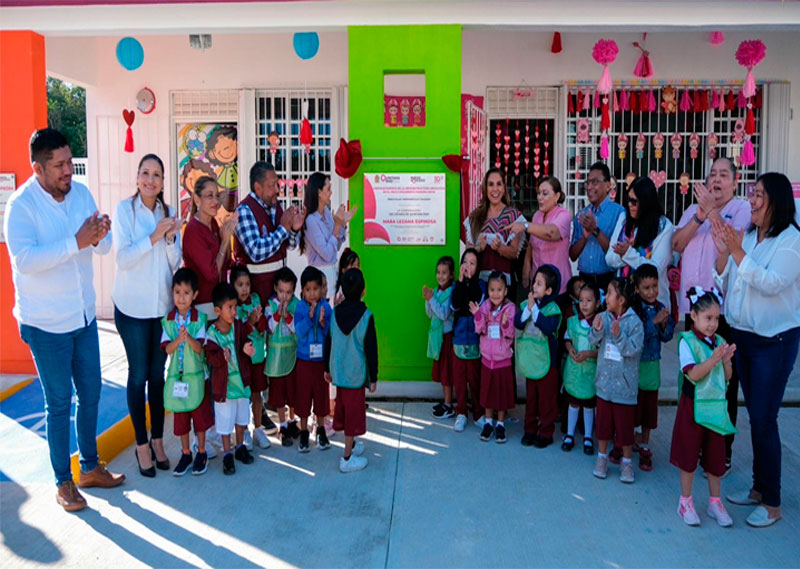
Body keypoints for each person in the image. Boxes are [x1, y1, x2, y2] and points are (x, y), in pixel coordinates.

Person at [5, 128, 124, 511]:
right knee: (59, 402)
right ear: (37, 168)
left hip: (83, 316)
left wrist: (102, 234)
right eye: (58, 166)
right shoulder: (21, 206)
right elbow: (25, 260)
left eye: (70, 163)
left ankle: (89, 467)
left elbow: (101, 246)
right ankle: (63, 482)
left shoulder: (82, 194)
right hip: (45, 324)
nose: (67, 172)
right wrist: (76, 240)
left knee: (90, 394)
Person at [712, 172, 800, 528]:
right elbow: (730, 281)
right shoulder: (748, 235)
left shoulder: (791, 241)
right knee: (756, 417)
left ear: (776, 201)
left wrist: (735, 252)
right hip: (744, 337)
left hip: (773, 342)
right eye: (752, 193)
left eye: (759, 194)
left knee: (765, 419)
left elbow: (771, 283)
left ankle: (774, 502)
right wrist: (724, 255)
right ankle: (758, 490)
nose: (752, 200)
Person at [672, 157, 750, 469]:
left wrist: (712, 211)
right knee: (692, 377)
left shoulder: (742, 208)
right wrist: (699, 215)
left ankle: (721, 450)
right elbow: (677, 244)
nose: (716, 180)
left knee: (722, 382)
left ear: (735, 179)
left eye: (723, 175)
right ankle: (692, 444)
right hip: (692, 311)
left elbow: (734, 243)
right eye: (712, 175)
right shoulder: (694, 210)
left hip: (722, 314)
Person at [112, 153, 182, 477]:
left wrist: (169, 240)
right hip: (132, 309)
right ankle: (141, 443)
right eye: (145, 173)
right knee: (138, 374)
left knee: (158, 376)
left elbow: (174, 264)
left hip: (160, 309)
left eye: (156, 174)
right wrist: (154, 236)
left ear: (163, 181)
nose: (150, 180)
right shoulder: (125, 211)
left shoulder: (168, 213)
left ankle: (157, 440)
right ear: (137, 177)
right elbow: (123, 259)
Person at [670, 287, 736, 528]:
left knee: (716, 457)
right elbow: (694, 374)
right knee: (689, 455)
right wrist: (714, 359)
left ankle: (715, 501)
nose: (713, 324)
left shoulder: (720, 342)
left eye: (716, 318)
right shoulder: (686, 341)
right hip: (693, 407)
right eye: (708, 318)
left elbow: (727, 377)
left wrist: (727, 361)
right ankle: (685, 501)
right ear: (694, 317)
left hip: (716, 408)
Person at [324, 268, 378, 473]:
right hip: (356, 375)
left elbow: (329, 341)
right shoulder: (367, 316)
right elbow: (371, 350)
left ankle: (352, 446)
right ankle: (346, 458)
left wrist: (326, 368)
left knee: (344, 409)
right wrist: (374, 377)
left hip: (339, 373)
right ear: (363, 290)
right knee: (353, 418)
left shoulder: (335, 312)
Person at [590, 278, 644, 484]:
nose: (606, 297)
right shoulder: (602, 316)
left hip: (625, 387)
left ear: (621, 300)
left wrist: (619, 335)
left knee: (624, 427)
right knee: (603, 425)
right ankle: (602, 458)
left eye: (610, 293)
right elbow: (593, 341)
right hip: (604, 383)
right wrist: (595, 330)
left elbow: (633, 350)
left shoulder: (635, 323)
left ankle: (627, 461)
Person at [160, 268, 213, 477]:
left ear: (195, 295)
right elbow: (167, 348)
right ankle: (185, 453)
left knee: (199, 419)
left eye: (186, 293)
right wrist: (177, 340)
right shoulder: (169, 320)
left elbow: (200, 348)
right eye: (177, 292)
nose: (181, 297)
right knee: (181, 418)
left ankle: (201, 451)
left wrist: (187, 338)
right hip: (177, 379)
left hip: (197, 377)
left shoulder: (199, 318)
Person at [204, 282, 257, 475]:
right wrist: (221, 358)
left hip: (241, 384)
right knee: (225, 423)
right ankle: (227, 453)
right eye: (230, 308)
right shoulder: (211, 334)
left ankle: (240, 445)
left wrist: (247, 348)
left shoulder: (238, 326)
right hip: (224, 388)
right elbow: (210, 357)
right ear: (218, 310)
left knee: (242, 418)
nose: (234, 311)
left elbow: (246, 341)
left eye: (235, 307)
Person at [234, 161, 303, 303]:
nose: (277, 190)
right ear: (258, 188)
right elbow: (255, 251)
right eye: (272, 186)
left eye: (277, 184)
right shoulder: (244, 211)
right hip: (255, 298)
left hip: (279, 295)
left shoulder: (276, 206)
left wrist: (294, 230)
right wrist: (284, 229)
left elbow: (288, 246)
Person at [606, 176, 674, 308]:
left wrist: (627, 254)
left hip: (652, 306)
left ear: (646, 202)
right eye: (628, 200)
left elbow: (655, 270)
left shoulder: (664, 226)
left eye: (634, 201)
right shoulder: (624, 219)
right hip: (623, 304)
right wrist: (624, 254)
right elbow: (609, 259)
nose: (629, 205)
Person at [633, 264, 675, 471]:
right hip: (634, 366)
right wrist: (654, 322)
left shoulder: (661, 308)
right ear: (637, 289)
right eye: (646, 288)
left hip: (651, 366)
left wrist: (664, 324)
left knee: (649, 407)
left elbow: (667, 337)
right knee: (633, 405)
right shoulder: (634, 310)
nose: (651, 292)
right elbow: (637, 335)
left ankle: (645, 443)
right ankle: (629, 439)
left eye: (655, 286)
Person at [516, 265, 562, 448]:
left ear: (549, 290)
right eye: (535, 282)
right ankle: (530, 429)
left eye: (539, 284)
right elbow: (518, 323)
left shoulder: (553, 310)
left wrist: (535, 310)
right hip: (531, 362)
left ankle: (546, 432)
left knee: (546, 400)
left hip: (547, 364)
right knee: (532, 399)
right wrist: (528, 309)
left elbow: (548, 327)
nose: (534, 286)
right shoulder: (526, 305)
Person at [182, 175, 237, 321]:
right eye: (210, 196)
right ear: (197, 199)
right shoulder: (193, 230)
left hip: (220, 303)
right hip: (204, 306)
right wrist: (224, 242)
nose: (216, 201)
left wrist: (228, 237)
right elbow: (212, 274)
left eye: (217, 196)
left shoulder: (212, 223)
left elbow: (225, 263)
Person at [471, 271, 516, 444]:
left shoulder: (510, 308)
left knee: (501, 394)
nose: (495, 293)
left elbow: (510, 333)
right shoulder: (485, 307)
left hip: (502, 359)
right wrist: (477, 315)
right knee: (488, 392)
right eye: (492, 289)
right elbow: (480, 329)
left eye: (499, 289)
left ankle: (501, 424)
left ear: (505, 291)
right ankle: (488, 422)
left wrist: (504, 322)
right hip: (486, 360)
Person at [230, 265, 270, 450]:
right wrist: (250, 323)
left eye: (247, 284)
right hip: (242, 362)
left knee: (257, 394)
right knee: (244, 397)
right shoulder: (233, 308)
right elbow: (237, 333)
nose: (244, 289)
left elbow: (263, 326)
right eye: (240, 285)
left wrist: (258, 321)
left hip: (258, 358)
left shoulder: (255, 300)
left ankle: (258, 429)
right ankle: (243, 430)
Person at [299, 172, 355, 302]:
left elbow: (336, 246)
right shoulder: (311, 220)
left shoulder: (327, 213)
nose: (331, 193)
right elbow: (327, 253)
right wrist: (337, 226)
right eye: (328, 189)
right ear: (319, 192)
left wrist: (342, 224)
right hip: (318, 280)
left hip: (332, 274)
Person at [569, 162, 626, 292]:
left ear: (608, 186)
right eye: (587, 183)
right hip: (584, 280)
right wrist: (584, 237)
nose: (589, 187)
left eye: (595, 182)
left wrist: (595, 230)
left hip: (608, 281)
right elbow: (572, 255)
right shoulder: (581, 215)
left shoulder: (619, 213)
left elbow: (618, 254)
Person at [465, 168, 526, 288]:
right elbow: (468, 251)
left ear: (504, 188)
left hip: (503, 285)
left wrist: (500, 247)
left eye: (499, 184)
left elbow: (514, 253)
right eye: (491, 184)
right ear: (485, 188)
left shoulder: (514, 216)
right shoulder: (474, 217)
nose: (495, 189)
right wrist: (479, 248)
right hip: (478, 284)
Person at [511, 176, 572, 296]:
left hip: (557, 283)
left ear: (557, 196)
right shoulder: (537, 216)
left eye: (545, 193)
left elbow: (552, 233)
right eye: (538, 193)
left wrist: (526, 225)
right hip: (537, 283)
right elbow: (531, 245)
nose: (540, 197)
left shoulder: (564, 215)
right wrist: (526, 268)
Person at [294, 266, 333, 452]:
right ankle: (303, 431)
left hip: (320, 362)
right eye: (307, 290)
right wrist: (310, 318)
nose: (312, 293)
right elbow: (299, 332)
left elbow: (329, 333)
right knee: (303, 396)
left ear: (321, 289)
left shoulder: (326, 307)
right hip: (303, 360)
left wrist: (324, 323)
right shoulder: (300, 307)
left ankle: (321, 429)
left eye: (315, 289)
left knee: (321, 395)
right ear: (302, 291)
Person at [562, 282, 601, 455]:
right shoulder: (572, 322)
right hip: (575, 370)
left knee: (588, 405)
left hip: (590, 372)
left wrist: (589, 355)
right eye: (582, 300)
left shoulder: (600, 325)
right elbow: (567, 339)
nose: (584, 304)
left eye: (589, 300)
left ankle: (587, 436)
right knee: (573, 402)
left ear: (598, 303)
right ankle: (569, 434)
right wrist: (570, 349)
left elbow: (602, 349)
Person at [450, 248, 486, 432]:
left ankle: (479, 413)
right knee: (460, 379)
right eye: (466, 262)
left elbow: (476, 301)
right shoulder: (457, 285)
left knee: (475, 379)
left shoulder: (480, 286)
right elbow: (455, 304)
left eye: (473, 263)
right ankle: (461, 412)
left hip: (475, 340)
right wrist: (462, 282)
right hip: (458, 340)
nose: (468, 266)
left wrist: (470, 282)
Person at [265, 267, 300, 446]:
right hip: (276, 357)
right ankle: (283, 423)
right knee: (278, 393)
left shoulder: (296, 304)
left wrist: (288, 316)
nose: (284, 296)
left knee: (293, 391)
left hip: (292, 354)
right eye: (281, 291)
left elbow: (297, 329)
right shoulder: (270, 305)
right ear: (275, 288)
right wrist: (279, 314)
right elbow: (269, 327)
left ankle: (292, 420)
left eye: (288, 292)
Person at [425, 256, 455, 419]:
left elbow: (443, 314)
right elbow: (430, 314)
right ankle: (445, 401)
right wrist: (428, 300)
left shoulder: (452, 292)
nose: (440, 276)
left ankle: (449, 405)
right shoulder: (436, 291)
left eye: (444, 273)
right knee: (442, 372)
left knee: (447, 373)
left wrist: (431, 299)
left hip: (447, 338)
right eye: (438, 272)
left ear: (451, 275)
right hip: (438, 338)